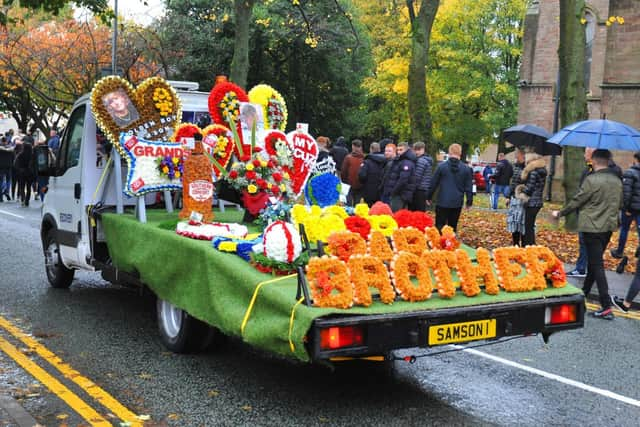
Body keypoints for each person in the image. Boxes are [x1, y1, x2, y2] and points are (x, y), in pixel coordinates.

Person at [552, 149, 623, 320]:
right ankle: (582, 294)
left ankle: (606, 305)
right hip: (607, 227)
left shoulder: (592, 180)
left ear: (595, 160)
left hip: (591, 227)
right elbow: (621, 203)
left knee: (597, 265)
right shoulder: (617, 181)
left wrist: (560, 213)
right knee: (594, 262)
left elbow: (578, 200)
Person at [567, 148, 623, 277]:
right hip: (587, 212)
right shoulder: (588, 169)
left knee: (594, 246)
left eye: (586, 152)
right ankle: (584, 269)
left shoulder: (612, 171)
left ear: (594, 154)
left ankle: (588, 270)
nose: (584, 155)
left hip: (599, 214)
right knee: (584, 242)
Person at [426, 143, 473, 232]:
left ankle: (439, 244)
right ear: (460, 153)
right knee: (452, 226)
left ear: (449, 152)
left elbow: (433, 183)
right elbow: (468, 187)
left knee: (439, 226)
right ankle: (450, 244)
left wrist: (428, 196)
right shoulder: (466, 169)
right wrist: (469, 202)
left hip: (443, 200)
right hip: (457, 202)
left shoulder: (441, 167)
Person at [610, 151, 640, 259]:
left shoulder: (630, 172)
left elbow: (626, 193)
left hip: (630, 208)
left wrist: (626, 208)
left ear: (636, 159)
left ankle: (619, 251)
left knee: (624, 229)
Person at [514, 152, 546, 246]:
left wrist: (520, 189)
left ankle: (529, 246)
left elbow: (530, 188)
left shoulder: (533, 172)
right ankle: (530, 245)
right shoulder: (541, 170)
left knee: (528, 227)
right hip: (537, 201)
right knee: (530, 225)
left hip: (532, 202)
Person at [383, 141, 417, 212]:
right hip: (398, 193)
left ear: (406, 150)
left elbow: (403, 180)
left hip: (400, 194)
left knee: (396, 215)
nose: (398, 152)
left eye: (401, 150)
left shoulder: (406, 162)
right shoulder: (400, 160)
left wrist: (393, 191)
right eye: (397, 150)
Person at [506, 149, 526, 246]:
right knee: (514, 222)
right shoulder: (515, 167)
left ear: (522, 155)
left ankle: (524, 244)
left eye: (517, 154)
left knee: (522, 222)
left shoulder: (528, 168)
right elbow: (512, 183)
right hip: (514, 199)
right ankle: (515, 243)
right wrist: (508, 196)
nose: (515, 156)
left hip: (524, 200)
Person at [358, 142, 386, 206]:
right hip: (381, 191)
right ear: (379, 149)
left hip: (369, 191)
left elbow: (362, 175)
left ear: (371, 149)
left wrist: (364, 184)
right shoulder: (386, 161)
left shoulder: (367, 162)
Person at [340, 139, 365, 206]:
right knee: (357, 205)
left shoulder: (348, 158)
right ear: (361, 147)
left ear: (353, 147)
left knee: (348, 204)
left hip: (349, 184)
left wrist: (345, 182)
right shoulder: (364, 158)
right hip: (361, 185)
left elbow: (343, 172)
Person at [411, 141, 433, 211]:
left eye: (418, 150)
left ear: (423, 149)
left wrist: (411, 189)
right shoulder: (426, 160)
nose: (416, 152)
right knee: (421, 211)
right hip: (423, 189)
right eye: (415, 150)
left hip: (418, 190)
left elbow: (416, 177)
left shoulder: (421, 161)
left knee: (417, 212)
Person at [14, 141, 35, 207]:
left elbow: (15, 164)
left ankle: (23, 199)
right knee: (28, 188)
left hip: (22, 172)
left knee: (22, 187)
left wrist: (19, 169)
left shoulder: (20, 154)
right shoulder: (32, 155)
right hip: (30, 173)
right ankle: (27, 201)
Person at [0, 136, 14, 201]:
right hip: (9, 166)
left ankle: (1, 197)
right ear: (6, 141)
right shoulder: (11, 149)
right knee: (8, 180)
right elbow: (13, 158)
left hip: (1, 166)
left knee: (1, 180)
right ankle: (7, 190)